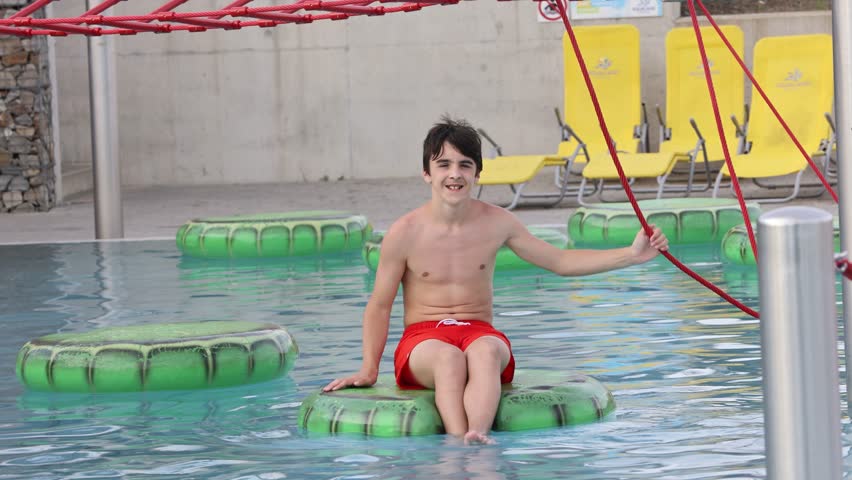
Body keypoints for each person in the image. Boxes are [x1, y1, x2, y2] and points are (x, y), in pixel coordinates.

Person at [323, 116, 668, 445]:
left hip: (479, 331)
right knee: (448, 360)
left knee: (487, 351)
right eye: (443, 165)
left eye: (465, 165)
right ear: (426, 173)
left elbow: (560, 261)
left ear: (478, 174)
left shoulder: (498, 223)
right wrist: (369, 369)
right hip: (423, 339)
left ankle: (477, 436)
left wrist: (631, 255)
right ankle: (458, 442)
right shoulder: (404, 232)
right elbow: (380, 305)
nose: (454, 174)